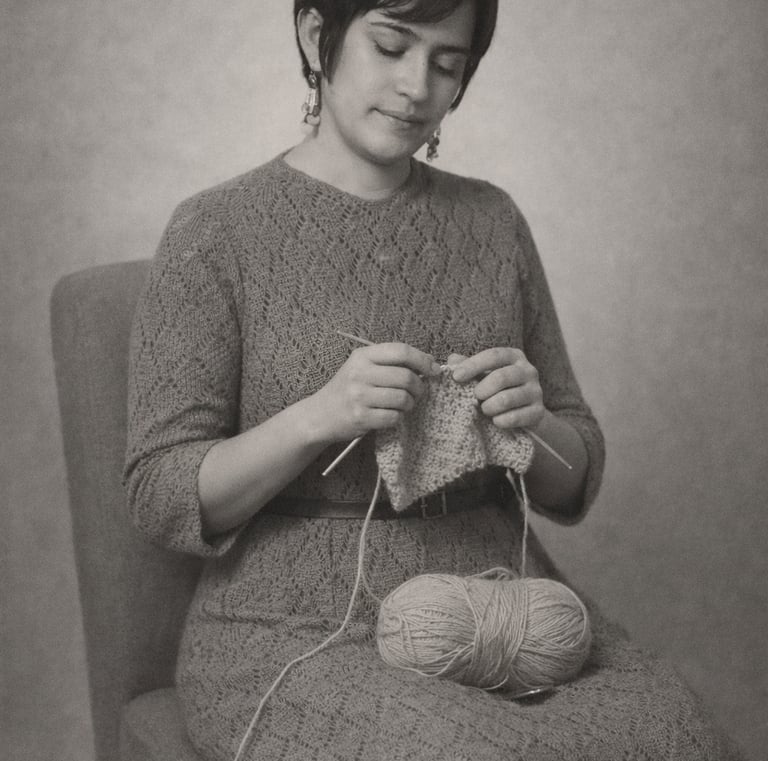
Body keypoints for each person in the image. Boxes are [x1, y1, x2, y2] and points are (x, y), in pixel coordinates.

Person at [124, 1, 742, 759]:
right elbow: (158, 491)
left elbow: (574, 481)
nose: (417, 86)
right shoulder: (216, 230)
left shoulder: (493, 221)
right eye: (391, 47)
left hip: (499, 606)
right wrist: (316, 418)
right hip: (293, 631)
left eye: (447, 65)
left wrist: (533, 422)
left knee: (677, 732)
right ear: (316, 35)